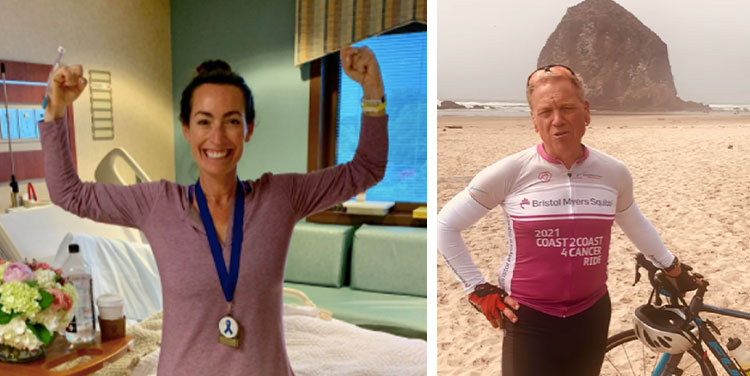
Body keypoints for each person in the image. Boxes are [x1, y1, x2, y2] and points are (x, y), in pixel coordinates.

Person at [40, 46, 387, 375]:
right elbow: (69, 193)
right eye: (204, 121)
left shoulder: (281, 198)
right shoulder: (156, 205)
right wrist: (55, 111)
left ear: (248, 128)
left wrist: (372, 90)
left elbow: (366, 169)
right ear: (186, 128)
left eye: (232, 121)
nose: (217, 137)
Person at [436, 64, 701, 376]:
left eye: (567, 108)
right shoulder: (510, 172)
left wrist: (672, 266)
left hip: (591, 315)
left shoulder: (614, 172)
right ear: (534, 120)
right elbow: (445, 226)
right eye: (545, 111)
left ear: (586, 112)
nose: (557, 120)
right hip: (528, 319)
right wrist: (477, 289)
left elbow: (634, 222)